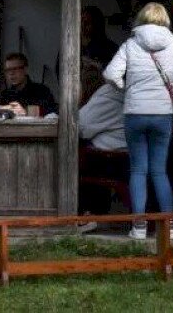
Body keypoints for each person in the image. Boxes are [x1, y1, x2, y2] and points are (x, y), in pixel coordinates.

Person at [104, 2, 173, 240]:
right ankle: (168, 227)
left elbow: (110, 74)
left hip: (135, 113)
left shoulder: (130, 44)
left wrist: (127, 89)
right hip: (163, 113)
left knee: (138, 170)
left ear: (141, 19)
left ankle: (138, 227)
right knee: (159, 170)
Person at [75, 61, 126, 223]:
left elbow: (79, 127)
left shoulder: (105, 99)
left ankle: (88, 212)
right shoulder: (115, 95)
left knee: (73, 162)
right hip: (122, 156)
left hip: (113, 159)